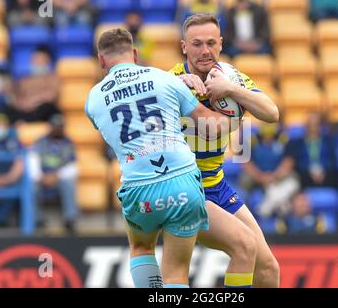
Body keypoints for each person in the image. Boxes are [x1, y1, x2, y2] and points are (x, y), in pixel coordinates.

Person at [85, 28, 248, 288]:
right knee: (176, 273)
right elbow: (213, 126)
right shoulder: (165, 79)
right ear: (135, 54)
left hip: (138, 187)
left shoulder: (92, 98)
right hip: (182, 183)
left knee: (140, 247)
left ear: (101, 60)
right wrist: (235, 110)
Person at [169, 13, 280, 288]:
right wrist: (179, 91)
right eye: (196, 44)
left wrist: (230, 88)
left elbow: (272, 113)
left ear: (220, 44)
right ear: (184, 46)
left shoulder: (231, 77)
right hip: (184, 189)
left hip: (216, 185)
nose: (204, 51)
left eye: (210, 43)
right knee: (244, 247)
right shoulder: (170, 81)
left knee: (268, 268)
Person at [28, 114, 79, 232]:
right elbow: (32, 159)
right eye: (55, 126)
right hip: (42, 177)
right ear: (50, 127)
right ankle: (38, 219)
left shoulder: (68, 143)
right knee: (31, 186)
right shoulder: (40, 142)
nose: (57, 129)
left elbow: (72, 166)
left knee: (69, 182)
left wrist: (56, 175)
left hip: (59, 177)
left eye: (60, 127)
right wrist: (41, 177)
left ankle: (70, 219)